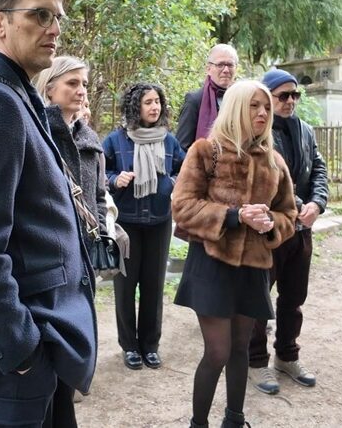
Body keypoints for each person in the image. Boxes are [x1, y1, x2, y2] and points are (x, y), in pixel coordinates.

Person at [0, 0, 97, 426]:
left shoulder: (17, 93)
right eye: (40, 15)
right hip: (13, 368)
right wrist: (21, 350)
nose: (54, 29)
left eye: (58, 18)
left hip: (40, 345)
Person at [172, 80, 297, 428]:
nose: (262, 113)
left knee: (241, 348)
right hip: (211, 264)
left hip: (253, 267)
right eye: (254, 105)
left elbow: (289, 214)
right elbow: (182, 207)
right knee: (217, 352)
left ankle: (235, 420)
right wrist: (234, 215)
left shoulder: (274, 161)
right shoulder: (205, 151)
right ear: (236, 108)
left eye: (266, 107)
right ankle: (198, 423)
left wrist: (270, 223)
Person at [35, 55, 107, 427]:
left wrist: (101, 234)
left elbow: (99, 195)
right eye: (72, 83)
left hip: (83, 261)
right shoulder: (37, 133)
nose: (81, 91)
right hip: (50, 265)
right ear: (49, 88)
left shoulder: (88, 137)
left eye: (84, 84)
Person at [248, 69, 328, 395]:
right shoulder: (258, 132)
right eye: (283, 95)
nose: (290, 101)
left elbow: (319, 168)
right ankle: (255, 361)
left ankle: (287, 355)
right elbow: (266, 178)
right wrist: (298, 205)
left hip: (300, 231)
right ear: (268, 97)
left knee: (294, 297)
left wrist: (318, 203)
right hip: (269, 230)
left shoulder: (304, 129)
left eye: (295, 95)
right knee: (258, 299)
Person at [103, 83, 186, 371]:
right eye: (148, 102)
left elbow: (184, 169)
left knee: (153, 285)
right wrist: (115, 179)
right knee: (125, 288)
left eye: (157, 102)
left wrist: (171, 182)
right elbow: (99, 172)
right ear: (135, 106)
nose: (154, 107)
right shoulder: (115, 140)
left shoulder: (169, 141)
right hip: (126, 223)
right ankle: (129, 346)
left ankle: (150, 345)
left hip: (159, 221)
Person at [176, 43, 238, 151]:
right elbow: (182, 147)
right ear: (208, 69)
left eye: (230, 65)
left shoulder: (241, 100)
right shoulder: (195, 100)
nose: (226, 70)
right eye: (220, 65)